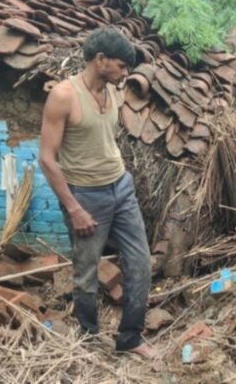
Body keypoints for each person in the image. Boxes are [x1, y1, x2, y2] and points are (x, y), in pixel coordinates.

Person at [39, 28, 156, 358]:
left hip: (121, 187)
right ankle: (88, 340)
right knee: (86, 272)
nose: (125, 73)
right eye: (120, 65)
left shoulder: (114, 92)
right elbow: (47, 159)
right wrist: (74, 208)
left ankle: (130, 337)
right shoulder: (64, 96)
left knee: (141, 264)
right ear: (100, 60)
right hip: (86, 196)